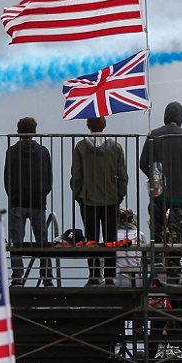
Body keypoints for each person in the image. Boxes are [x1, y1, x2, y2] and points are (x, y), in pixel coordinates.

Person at [139, 101, 182, 283]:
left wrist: (154, 175)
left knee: (157, 228)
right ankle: (174, 266)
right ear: (181, 118)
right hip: (181, 194)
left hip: (159, 193)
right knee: (178, 231)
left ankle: (157, 261)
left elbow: (143, 163)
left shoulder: (154, 135)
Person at [71, 116, 128, 286]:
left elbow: (77, 174)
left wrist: (78, 194)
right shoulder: (116, 147)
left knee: (91, 239)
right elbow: (122, 174)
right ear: (105, 125)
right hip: (111, 198)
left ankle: (94, 275)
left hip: (88, 198)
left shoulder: (81, 147)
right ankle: (109, 275)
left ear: (88, 125)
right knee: (111, 238)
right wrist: (120, 194)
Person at [4, 117, 53, 287]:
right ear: (34, 132)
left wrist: (13, 195)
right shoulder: (44, 152)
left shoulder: (11, 151)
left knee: (17, 242)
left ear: (18, 132)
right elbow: (49, 179)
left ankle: (17, 277)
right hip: (38, 201)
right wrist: (43, 193)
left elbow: (7, 179)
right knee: (43, 242)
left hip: (17, 201)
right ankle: (47, 278)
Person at [115, 208, 147, 287]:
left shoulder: (110, 236)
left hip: (115, 281)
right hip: (137, 282)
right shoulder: (139, 234)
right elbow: (145, 258)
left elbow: (102, 260)